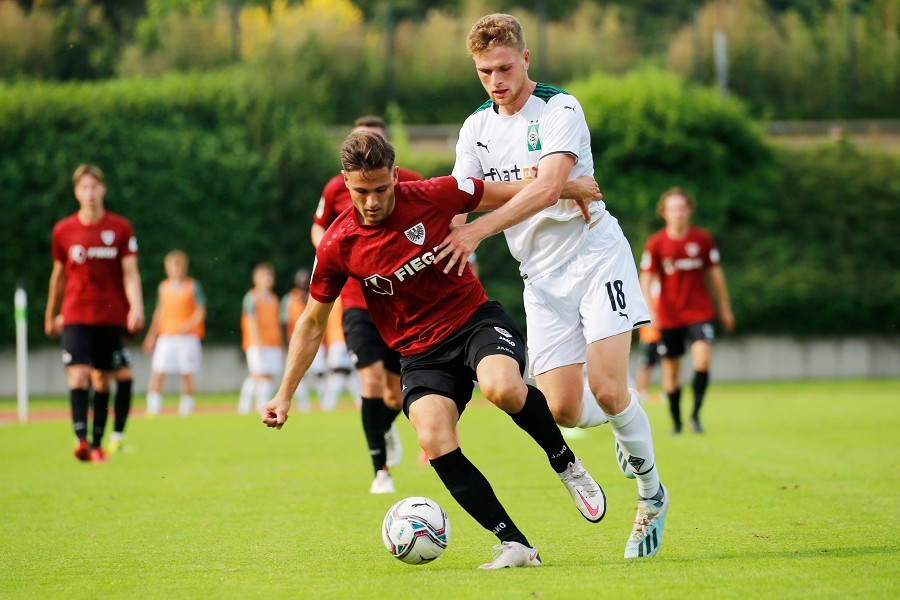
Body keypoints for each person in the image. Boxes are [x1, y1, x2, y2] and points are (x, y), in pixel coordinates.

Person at [263, 131, 605, 569]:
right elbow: (312, 323)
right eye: (360, 192)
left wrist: (567, 185)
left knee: (501, 388)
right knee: (431, 435)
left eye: (381, 189)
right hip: (419, 353)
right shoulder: (337, 243)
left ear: (394, 175)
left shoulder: (434, 193)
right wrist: (284, 393)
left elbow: (504, 192)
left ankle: (566, 464)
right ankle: (516, 544)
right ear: (345, 184)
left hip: (473, 321)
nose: (371, 202)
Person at [436, 13, 668, 559]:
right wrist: (556, 186)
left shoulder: (561, 107)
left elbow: (541, 193)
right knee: (562, 407)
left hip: (594, 257)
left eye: (504, 67)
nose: (495, 80)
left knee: (609, 388)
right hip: (539, 278)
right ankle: (622, 421)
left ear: (526, 60)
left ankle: (651, 494)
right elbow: (466, 193)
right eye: (484, 71)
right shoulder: (476, 129)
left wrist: (480, 229)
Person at [310, 115, 423, 493]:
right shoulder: (335, 187)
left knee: (394, 394)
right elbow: (318, 226)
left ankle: (385, 426)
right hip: (358, 300)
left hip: (399, 304)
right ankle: (381, 471)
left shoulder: (409, 180)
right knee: (370, 380)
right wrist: (331, 253)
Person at [45, 164, 145, 463]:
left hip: (110, 316)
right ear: (76, 192)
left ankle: (98, 443)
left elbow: (130, 274)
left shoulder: (120, 228)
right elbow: (58, 275)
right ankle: (81, 440)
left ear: (103, 189)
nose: (90, 193)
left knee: (103, 380)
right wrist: (50, 314)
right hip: (75, 314)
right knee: (78, 375)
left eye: (94, 187)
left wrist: (136, 307)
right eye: (84, 188)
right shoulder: (63, 231)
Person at [639, 187, 735, 434]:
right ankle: (677, 422)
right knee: (671, 372)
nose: (678, 214)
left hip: (699, 312)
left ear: (689, 211)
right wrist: (651, 311)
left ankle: (695, 415)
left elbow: (716, 274)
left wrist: (725, 307)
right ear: (664, 213)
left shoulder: (702, 239)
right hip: (669, 316)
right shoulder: (657, 243)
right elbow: (646, 278)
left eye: (682, 209)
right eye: (673, 209)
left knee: (702, 359)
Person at [141, 249, 207, 418]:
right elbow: (159, 312)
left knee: (186, 374)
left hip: (188, 338)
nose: (177, 269)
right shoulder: (163, 287)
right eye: (173, 266)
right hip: (167, 336)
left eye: (180, 266)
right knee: (158, 372)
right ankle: (153, 409)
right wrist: (151, 336)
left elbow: (200, 311)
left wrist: (188, 325)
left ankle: (186, 410)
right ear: (167, 268)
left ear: (185, 268)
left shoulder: (193, 286)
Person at [239, 262, 283, 415]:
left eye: (270, 275)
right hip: (257, 343)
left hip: (272, 342)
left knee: (266, 375)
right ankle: (249, 406)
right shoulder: (251, 297)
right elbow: (251, 322)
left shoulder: (273, 298)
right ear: (256, 279)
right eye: (264, 276)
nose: (268, 279)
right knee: (259, 374)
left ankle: (257, 406)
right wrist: (258, 344)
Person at [281, 268, 328, 412]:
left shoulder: (316, 296)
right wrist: (286, 345)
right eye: (301, 277)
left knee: (320, 373)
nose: (304, 280)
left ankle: (324, 403)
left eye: (306, 277)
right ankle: (304, 405)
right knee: (298, 374)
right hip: (295, 342)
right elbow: (284, 323)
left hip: (316, 341)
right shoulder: (289, 299)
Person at [634, 280, 662, 404]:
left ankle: (667, 391)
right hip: (649, 334)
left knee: (668, 362)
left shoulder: (663, 284)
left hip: (664, 332)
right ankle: (641, 391)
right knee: (645, 363)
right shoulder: (645, 287)